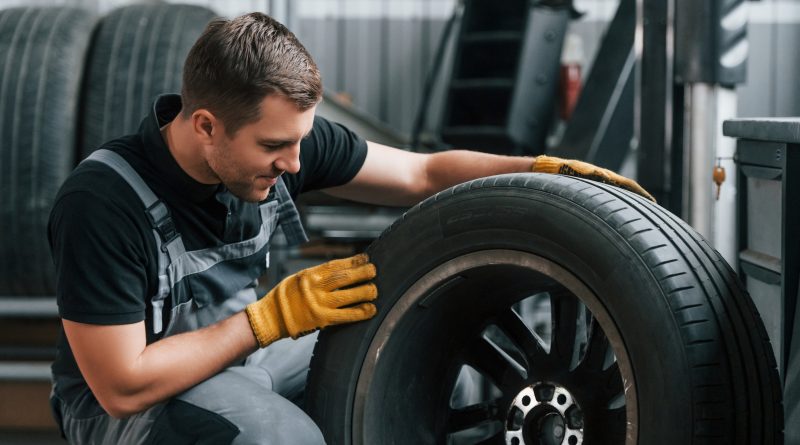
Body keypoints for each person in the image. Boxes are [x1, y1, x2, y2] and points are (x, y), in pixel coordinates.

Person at [47, 12, 653, 445]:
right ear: (206, 126)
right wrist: (268, 320)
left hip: (237, 357)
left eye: (301, 142)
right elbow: (121, 386)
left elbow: (422, 173)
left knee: (429, 350)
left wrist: (540, 170)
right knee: (279, 436)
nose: (294, 164)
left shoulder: (283, 141)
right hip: (125, 410)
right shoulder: (103, 202)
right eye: (274, 146)